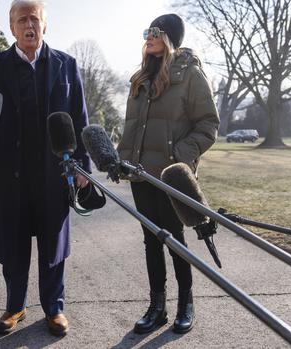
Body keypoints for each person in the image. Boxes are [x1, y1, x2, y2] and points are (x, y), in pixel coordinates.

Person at [0, 0, 90, 337]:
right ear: (11, 27)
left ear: (45, 25)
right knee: (13, 244)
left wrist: (85, 167)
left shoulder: (67, 65)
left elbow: (81, 119)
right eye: (21, 19)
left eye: (34, 19)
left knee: (53, 246)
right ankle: (15, 306)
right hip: (10, 173)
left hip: (54, 173)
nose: (29, 25)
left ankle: (54, 309)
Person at [117, 14, 219, 334]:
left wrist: (179, 157)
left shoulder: (190, 75)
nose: (148, 37)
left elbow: (208, 125)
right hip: (141, 174)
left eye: (155, 32)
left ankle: (185, 302)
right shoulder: (139, 79)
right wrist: (122, 160)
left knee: (175, 239)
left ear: (170, 38)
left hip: (172, 176)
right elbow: (131, 128)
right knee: (151, 239)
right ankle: (157, 306)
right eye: (146, 31)